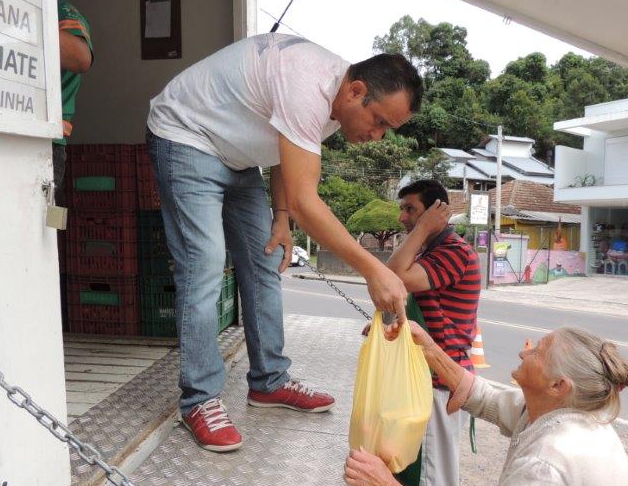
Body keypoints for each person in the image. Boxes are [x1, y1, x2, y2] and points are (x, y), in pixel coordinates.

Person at [146, 33, 423, 452]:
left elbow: (284, 154)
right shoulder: (307, 84)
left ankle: (268, 381)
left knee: (265, 259)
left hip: (237, 157)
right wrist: (374, 269)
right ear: (357, 90)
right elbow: (305, 200)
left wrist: (280, 217)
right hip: (185, 135)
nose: (379, 136)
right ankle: (199, 400)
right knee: (204, 264)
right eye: (380, 121)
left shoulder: (335, 103)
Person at [345, 322, 628, 486]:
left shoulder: (549, 463)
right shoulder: (572, 415)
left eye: (537, 351)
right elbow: (487, 398)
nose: (524, 351)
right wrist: (428, 349)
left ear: (558, 386)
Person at [386, 179, 480, 486]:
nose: (402, 217)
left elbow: (392, 276)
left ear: (437, 211)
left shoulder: (453, 252)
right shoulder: (431, 252)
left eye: (410, 209)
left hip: (438, 385)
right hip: (423, 381)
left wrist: (424, 228)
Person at [53, 0, 94, 204]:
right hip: (1, 133)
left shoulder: (61, 9)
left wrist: (23, 17)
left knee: (47, 225)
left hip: (48, 144)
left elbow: (81, 58)